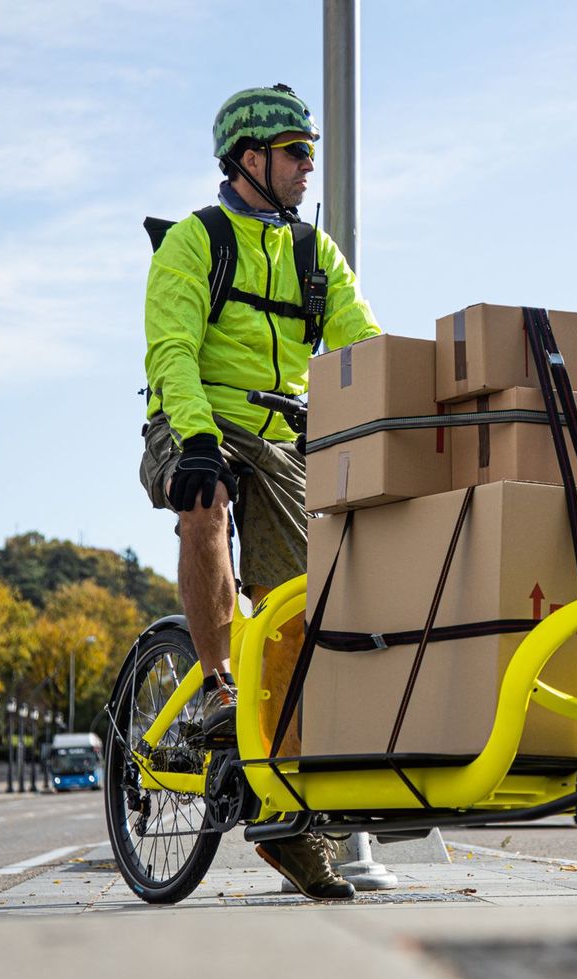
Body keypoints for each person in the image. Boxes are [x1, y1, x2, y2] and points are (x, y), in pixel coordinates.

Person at [140, 84, 382, 901]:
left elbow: (366, 345)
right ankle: (214, 686)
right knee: (202, 497)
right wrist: (196, 438)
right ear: (250, 159)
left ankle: (286, 824)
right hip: (192, 418)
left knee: (297, 609)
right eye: (295, 153)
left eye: (312, 152)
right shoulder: (194, 243)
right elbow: (171, 349)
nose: (308, 166)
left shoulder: (316, 255)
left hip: (280, 439)